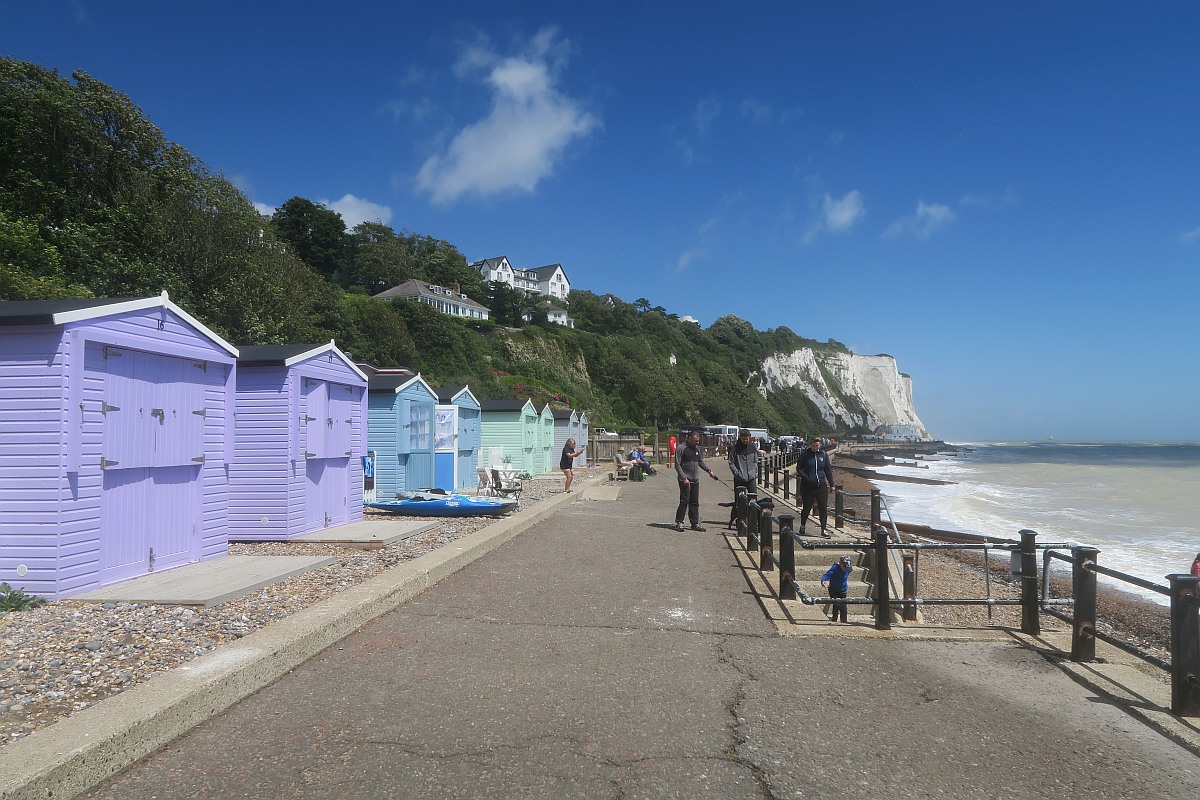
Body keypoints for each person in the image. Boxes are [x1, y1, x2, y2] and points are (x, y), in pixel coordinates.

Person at [674, 430, 718, 532]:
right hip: (685, 480)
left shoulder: (696, 449)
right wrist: (684, 477)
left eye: (698, 440)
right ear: (689, 438)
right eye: (695, 440)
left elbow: (700, 461)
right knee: (684, 501)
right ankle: (679, 522)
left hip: (695, 480)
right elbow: (677, 464)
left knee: (694, 502)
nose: (697, 442)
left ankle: (694, 523)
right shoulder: (681, 448)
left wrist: (709, 471)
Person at [797, 435, 834, 537]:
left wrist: (832, 484)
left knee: (823, 508)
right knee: (807, 507)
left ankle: (823, 530)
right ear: (810, 445)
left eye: (817, 445)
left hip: (821, 485)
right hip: (808, 486)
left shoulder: (823, 454)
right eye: (813, 445)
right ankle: (803, 526)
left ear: (820, 445)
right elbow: (799, 468)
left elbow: (828, 470)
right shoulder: (805, 454)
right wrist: (806, 478)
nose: (815, 448)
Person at [727, 428, 759, 529]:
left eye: (747, 439)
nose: (745, 441)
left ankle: (753, 522)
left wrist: (754, 472)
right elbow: (731, 462)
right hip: (739, 478)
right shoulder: (734, 448)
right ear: (740, 437)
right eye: (743, 439)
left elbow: (755, 461)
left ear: (749, 438)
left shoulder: (753, 447)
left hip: (751, 478)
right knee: (739, 501)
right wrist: (737, 473)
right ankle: (739, 522)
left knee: (753, 501)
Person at [821, 555, 854, 623]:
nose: (846, 570)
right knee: (836, 605)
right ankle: (834, 620)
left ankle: (844, 621)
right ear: (840, 564)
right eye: (844, 568)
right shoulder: (835, 568)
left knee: (844, 607)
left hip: (843, 589)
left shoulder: (847, 569)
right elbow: (827, 575)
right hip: (834, 589)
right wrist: (823, 580)